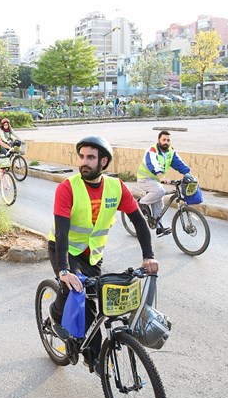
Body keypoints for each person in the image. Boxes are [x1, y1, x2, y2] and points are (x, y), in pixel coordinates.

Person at [48, 135, 158, 372]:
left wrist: (148, 256)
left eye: (90, 157)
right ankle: (56, 315)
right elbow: (62, 232)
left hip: (92, 255)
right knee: (74, 287)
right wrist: (64, 270)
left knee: (97, 302)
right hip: (65, 250)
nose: (84, 162)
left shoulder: (116, 187)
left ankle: (92, 354)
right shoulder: (67, 188)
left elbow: (139, 221)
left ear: (104, 162)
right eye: (82, 157)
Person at [136, 130, 191, 236]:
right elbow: (153, 164)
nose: (166, 142)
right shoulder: (152, 150)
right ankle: (141, 203)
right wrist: (161, 177)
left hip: (155, 180)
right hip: (145, 178)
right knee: (160, 191)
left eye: (168, 140)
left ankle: (158, 227)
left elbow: (179, 163)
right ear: (159, 140)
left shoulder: (170, 152)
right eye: (164, 140)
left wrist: (188, 174)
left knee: (159, 203)